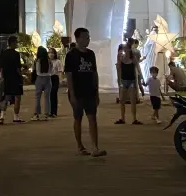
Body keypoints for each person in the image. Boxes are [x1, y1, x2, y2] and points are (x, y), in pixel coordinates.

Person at [65, 27, 106, 157]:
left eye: (88, 37)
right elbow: (69, 75)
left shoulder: (91, 54)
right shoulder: (71, 55)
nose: (88, 40)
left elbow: (95, 73)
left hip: (90, 91)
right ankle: (80, 146)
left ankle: (95, 147)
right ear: (78, 39)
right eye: (85, 37)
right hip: (77, 92)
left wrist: (97, 92)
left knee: (92, 119)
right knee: (78, 119)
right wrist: (72, 94)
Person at [115, 38, 143, 125]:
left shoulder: (133, 58)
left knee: (132, 101)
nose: (125, 50)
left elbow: (138, 67)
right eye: (124, 49)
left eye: (126, 48)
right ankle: (123, 118)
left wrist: (141, 77)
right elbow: (118, 68)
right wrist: (119, 81)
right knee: (122, 100)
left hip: (131, 81)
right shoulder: (121, 58)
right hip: (124, 81)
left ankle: (134, 119)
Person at [0, 35, 24, 124]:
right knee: (17, 97)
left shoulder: (3, 53)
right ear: (12, 43)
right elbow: (18, 68)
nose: (17, 44)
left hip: (6, 78)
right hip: (15, 78)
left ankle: (1, 116)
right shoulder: (16, 54)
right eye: (16, 42)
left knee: (6, 97)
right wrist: (21, 77)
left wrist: (1, 76)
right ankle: (16, 117)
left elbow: (1, 67)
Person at [32, 46, 52, 121]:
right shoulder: (49, 61)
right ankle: (46, 114)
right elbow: (51, 70)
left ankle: (36, 114)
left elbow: (36, 71)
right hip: (48, 79)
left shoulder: (37, 61)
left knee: (37, 97)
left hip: (39, 79)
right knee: (47, 98)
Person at [49, 48, 63, 117]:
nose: (51, 54)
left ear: (55, 54)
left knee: (53, 94)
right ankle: (50, 112)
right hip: (48, 79)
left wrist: (60, 80)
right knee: (49, 96)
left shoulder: (58, 61)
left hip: (55, 79)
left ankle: (54, 112)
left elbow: (60, 71)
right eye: (49, 53)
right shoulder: (47, 61)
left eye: (52, 53)